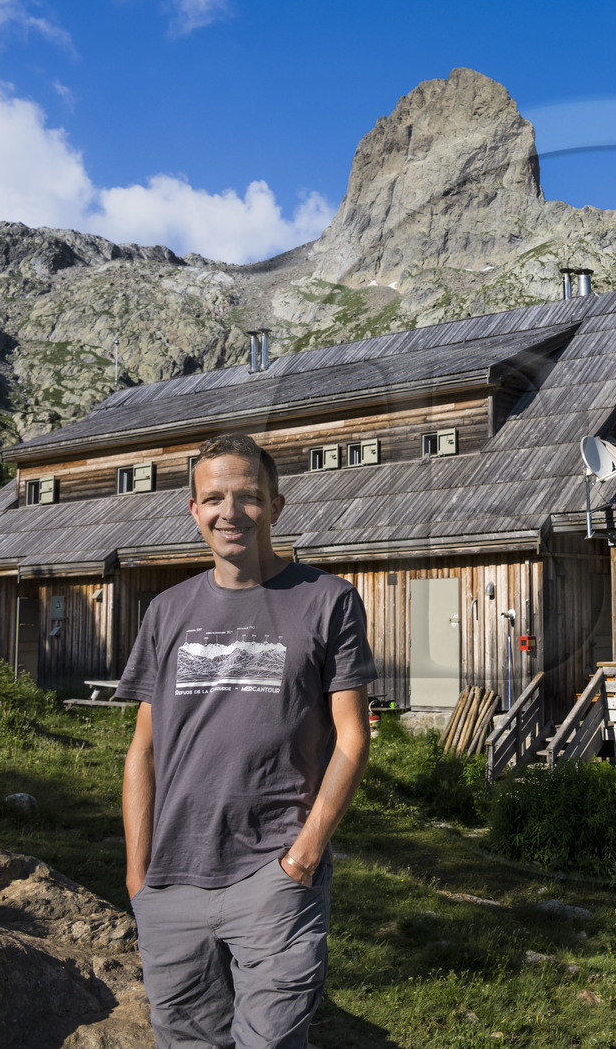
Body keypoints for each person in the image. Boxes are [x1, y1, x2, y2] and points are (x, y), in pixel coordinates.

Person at [120, 434, 376, 1048]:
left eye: (248, 497)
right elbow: (143, 751)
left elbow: (353, 737)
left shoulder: (327, 600)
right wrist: (138, 878)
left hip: (274, 872)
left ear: (276, 505)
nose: (230, 512)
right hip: (171, 879)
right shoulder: (166, 610)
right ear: (193, 509)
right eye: (213, 498)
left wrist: (305, 856)